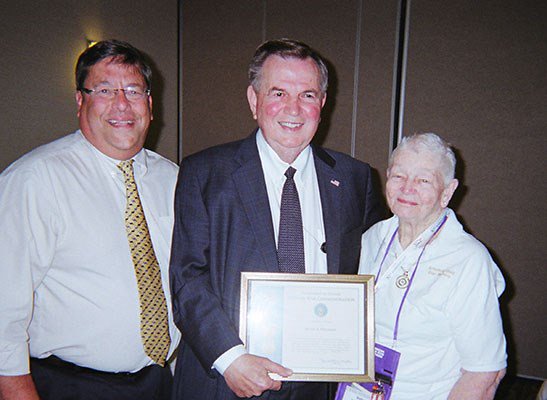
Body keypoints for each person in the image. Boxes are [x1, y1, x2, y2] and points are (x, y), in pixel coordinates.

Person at [169, 38, 384, 400]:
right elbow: (186, 278)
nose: (294, 109)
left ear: (323, 103)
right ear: (254, 100)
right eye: (279, 93)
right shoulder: (204, 173)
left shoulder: (355, 180)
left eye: (308, 95)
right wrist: (231, 359)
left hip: (319, 383)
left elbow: (377, 270)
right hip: (225, 381)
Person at [0, 40, 181, 400]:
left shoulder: (173, 179)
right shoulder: (35, 180)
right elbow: (4, 309)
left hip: (161, 383)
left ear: (150, 102)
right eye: (104, 90)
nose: (121, 104)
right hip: (69, 386)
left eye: (133, 90)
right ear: (80, 101)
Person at [358, 133, 506, 399]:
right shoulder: (370, 239)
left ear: (447, 191)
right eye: (399, 176)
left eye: (423, 180)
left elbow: (483, 373)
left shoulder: (468, 260)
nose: (407, 188)